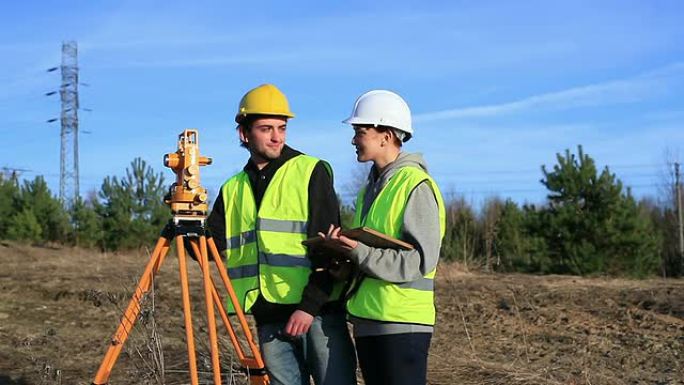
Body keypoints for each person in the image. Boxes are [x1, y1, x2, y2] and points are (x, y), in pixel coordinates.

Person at [207, 84, 357, 385]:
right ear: (244, 133)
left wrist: (308, 306)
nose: (277, 137)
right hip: (268, 318)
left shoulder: (310, 172)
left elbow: (331, 248)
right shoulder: (233, 189)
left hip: (316, 314)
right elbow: (206, 247)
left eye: (282, 128)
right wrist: (183, 211)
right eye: (266, 129)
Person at [320, 90, 446, 385]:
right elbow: (370, 253)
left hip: (402, 324)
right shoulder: (369, 189)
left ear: (386, 135)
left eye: (360, 132)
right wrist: (343, 258)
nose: (354, 140)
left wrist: (359, 253)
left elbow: (420, 260)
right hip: (368, 321)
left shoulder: (416, 185)